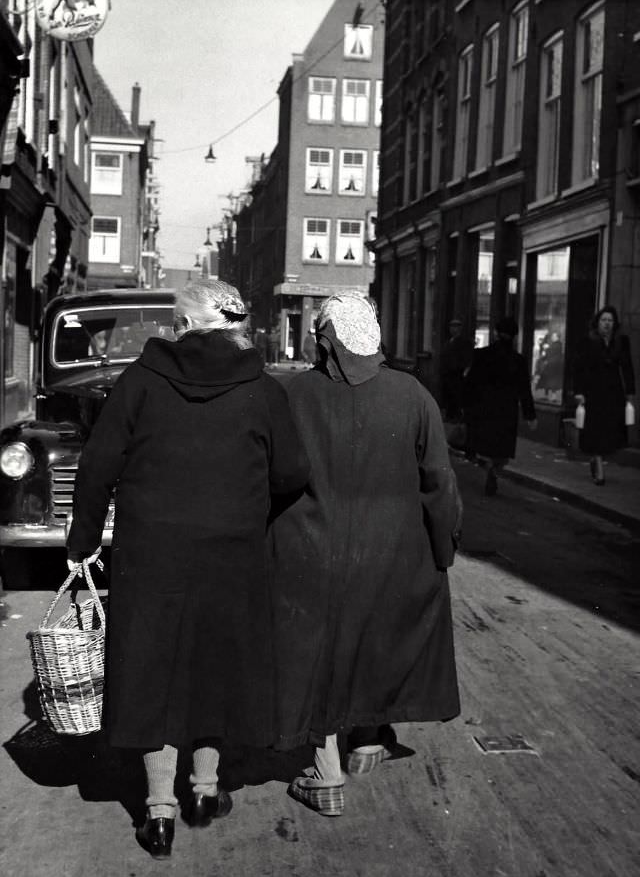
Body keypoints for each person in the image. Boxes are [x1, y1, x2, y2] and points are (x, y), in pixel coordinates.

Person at [66, 279, 309, 859]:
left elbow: (98, 464)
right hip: (231, 553)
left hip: (151, 553)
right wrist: (251, 511)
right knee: (213, 666)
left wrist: (81, 541)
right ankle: (204, 790)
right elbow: (294, 472)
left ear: (184, 324)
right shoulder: (263, 390)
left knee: (154, 671)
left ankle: (158, 813)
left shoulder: (141, 381)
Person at [269, 292, 462, 817]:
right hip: (393, 554)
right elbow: (439, 484)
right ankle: (370, 739)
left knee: (320, 649)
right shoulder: (413, 395)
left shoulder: (294, 395)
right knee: (377, 633)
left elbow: (272, 477)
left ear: (327, 339)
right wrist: (442, 548)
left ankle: (325, 767)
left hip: (311, 550)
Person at [463, 316, 537, 496]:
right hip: (507, 410)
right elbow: (524, 389)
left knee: (484, 445)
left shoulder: (481, 355)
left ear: (495, 333)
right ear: (515, 336)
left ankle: (487, 465)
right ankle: (494, 469)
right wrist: (530, 415)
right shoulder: (518, 361)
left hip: (485, 407)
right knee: (502, 450)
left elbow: (470, 383)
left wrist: (466, 405)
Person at [572, 305, 635, 485]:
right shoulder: (587, 341)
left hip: (614, 392)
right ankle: (599, 466)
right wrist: (579, 392)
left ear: (614, 323)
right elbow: (578, 368)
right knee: (595, 429)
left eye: (610, 320)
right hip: (593, 392)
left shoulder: (621, 342)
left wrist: (630, 392)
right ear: (597, 322)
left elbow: (627, 367)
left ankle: (596, 458)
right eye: (603, 320)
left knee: (609, 430)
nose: (607, 324)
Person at [440, 318, 473, 421]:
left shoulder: (464, 342)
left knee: (456, 395)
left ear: (460, 328)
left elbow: (467, 358)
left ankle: (456, 415)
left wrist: (464, 371)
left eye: (456, 327)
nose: (453, 329)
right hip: (448, 373)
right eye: (451, 327)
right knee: (448, 394)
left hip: (457, 373)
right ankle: (450, 414)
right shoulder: (449, 342)